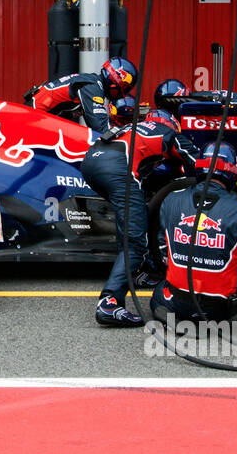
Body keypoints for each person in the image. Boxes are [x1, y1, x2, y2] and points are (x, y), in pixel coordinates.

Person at [80, 98, 198, 327]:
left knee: (136, 216)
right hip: (118, 170)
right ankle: (109, 302)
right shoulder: (169, 132)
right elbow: (200, 163)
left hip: (90, 163)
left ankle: (139, 272)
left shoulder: (130, 127)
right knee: (135, 241)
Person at [150, 142, 237, 330]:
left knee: (160, 290)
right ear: (233, 172)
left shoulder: (171, 199)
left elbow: (163, 252)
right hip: (219, 309)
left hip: (176, 303)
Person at [24, 57, 137, 132]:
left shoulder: (92, 81)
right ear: (117, 81)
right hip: (31, 122)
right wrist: (128, 131)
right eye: (125, 89)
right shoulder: (92, 87)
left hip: (36, 120)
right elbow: (101, 128)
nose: (123, 94)